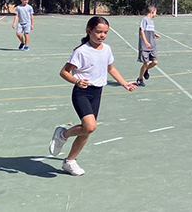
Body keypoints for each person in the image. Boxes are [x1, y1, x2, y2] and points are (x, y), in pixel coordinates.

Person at [48, 17, 137, 176]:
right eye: (98, 32)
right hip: (82, 92)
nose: (102, 35)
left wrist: (124, 83)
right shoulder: (81, 51)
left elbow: (111, 68)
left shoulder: (107, 49)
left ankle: (70, 161)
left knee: (87, 130)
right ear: (89, 31)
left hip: (97, 92)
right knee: (90, 126)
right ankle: (63, 135)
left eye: (105, 32)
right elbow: (64, 72)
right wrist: (76, 81)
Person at [136, 5, 160, 87]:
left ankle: (146, 70)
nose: (155, 14)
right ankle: (140, 79)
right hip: (145, 46)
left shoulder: (151, 22)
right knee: (145, 63)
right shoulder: (144, 20)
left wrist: (154, 34)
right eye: (155, 12)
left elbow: (149, 30)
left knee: (155, 62)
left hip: (152, 45)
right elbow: (141, 30)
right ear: (152, 12)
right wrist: (145, 42)